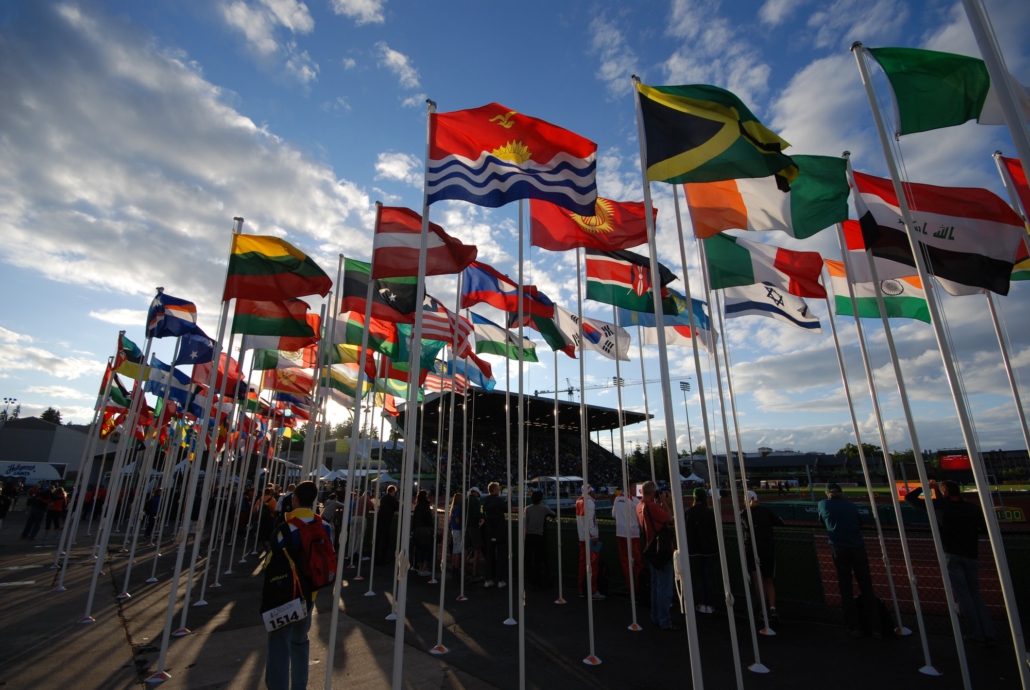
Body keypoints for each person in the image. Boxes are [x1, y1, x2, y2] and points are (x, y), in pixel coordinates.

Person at [906, 479, 995, 646]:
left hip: (952, 554)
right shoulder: (972, 508)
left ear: (944, 492)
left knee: (964, 595)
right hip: (971, 554)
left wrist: (926, 486)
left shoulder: (940, 506)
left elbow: (910, 498)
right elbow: (984, 528)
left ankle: (977, 633)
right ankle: (988, 632)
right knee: (975, 593)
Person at [262, 481, 332, 690]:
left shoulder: (285, 529)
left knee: (278, 645)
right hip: (310, 594)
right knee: (300, 641)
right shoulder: (324, 526)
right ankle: (299, 686)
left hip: (284, 595)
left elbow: (270, 563)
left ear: (295, 499)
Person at [818, 482, 880, 638]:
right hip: (857, 546)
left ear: (828, 493)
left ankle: (854, 626)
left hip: (839, 547)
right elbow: (860, 523)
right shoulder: (851, 505)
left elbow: (822, 521)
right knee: (866, 586)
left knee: (845, 587)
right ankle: (875, 627)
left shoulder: (823, 504)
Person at [638, 481, 678, 630]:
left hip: (651, 549)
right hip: (661, 551)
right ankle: (665, 621)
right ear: (653, 492)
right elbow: (669, 518)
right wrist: (664, 502)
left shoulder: (640, 506)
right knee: (664, 588)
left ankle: (656, 616)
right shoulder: (652, 506)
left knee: (655, 586)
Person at [741, 490, 784, 624]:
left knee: (758, 580)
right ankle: (772, 608)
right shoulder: (765, 511)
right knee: (768, 580)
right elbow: (780, 522)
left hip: (752, 549)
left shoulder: (744, 514)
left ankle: (763, 609)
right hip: (767, 549)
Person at [686, 487, 718, 615]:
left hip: (696, 549)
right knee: (708, 576)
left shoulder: (689, 511)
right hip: (709, 548)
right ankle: (709, 604)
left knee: (699, 576)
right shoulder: (709, 512)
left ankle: (701, 603)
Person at [613, 489, 643, 597]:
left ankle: (631, 590)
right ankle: (638, 589)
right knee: (637, 562)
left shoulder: (617, 499)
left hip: (620, 533)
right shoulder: (634, 500)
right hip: (633, 534)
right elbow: (641, 515)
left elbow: (614, 515)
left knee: (626, 563)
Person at [576, 485, 604, 600]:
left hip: (582, 537)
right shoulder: (590, 503)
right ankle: (593, 591)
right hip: (590, 538)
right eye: (593, 491)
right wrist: (594, 535)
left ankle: (582, 589)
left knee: (583, 564)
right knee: (593, 565)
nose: (595, 494)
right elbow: (590, 521)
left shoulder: (578, 501)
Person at [524, 490, 555, 588]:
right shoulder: (544, 508)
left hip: (529, 536)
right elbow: (553, 513)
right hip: (538, 536)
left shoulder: (527, 509)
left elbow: (525, 524)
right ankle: (538, 580)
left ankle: (530, 580)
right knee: (538, 559)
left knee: (529, 559)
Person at [481, 482, 507, 588]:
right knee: (501, 555)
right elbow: (505, 509)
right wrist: (508, 500)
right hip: (499, 531)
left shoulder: (486, 500)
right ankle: (500, 580)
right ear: (495, 490)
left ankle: (488, 579)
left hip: (489, 531)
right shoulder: (498, 500)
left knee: (489, 556)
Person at [411, 489, 434, 576]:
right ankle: (424, 569)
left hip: (417, 530)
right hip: (425, 531)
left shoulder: (417, 506)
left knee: (420, 550)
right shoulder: (425, 506)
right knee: (428, 550)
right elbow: (428, 519)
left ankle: (420, 568)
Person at [375, 485, 400, 565]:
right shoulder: (391, 499)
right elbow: (398, 506)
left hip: (379, 520)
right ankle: (383, 558)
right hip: (386, 522)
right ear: (392, 491)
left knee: (378, 540)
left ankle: (377, 558)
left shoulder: (383, 498)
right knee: (386, 540)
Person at [465, 487, 484, 582]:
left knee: (465, 549)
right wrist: (483, 516)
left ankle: (463, 571)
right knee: (476, 549)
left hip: (465, 527)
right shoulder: (476, 501)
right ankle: (474, 572)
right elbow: (477, 514)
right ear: (475, 493)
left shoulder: (465, 500)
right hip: (473, 527)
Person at [448, 492, 463, 574]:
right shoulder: (457, 508)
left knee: (455, 550)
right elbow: (457, 520)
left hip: (454, 529)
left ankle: (454, 566)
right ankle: (456, 568)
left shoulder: (453, 508)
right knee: (457, 550)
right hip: (457, 529)